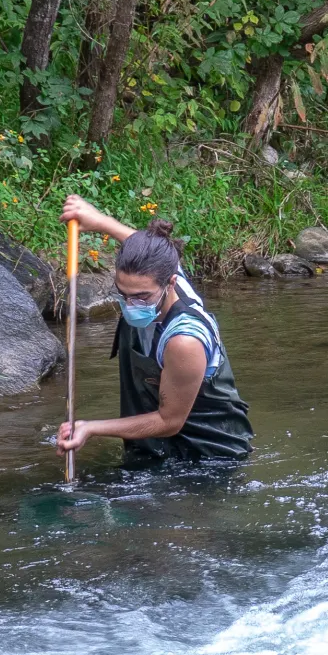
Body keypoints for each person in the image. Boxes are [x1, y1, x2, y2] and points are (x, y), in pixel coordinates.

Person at [55, 195, 253, 464]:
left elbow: (169, 421)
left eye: (141, 297)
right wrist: (99, 221)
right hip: (157, 446)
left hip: (207, 457)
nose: (130, 305)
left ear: (171, 283)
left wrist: (91, 428)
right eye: (122, 293)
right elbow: (145, 246)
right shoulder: (159, 269)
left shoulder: (184, 340)